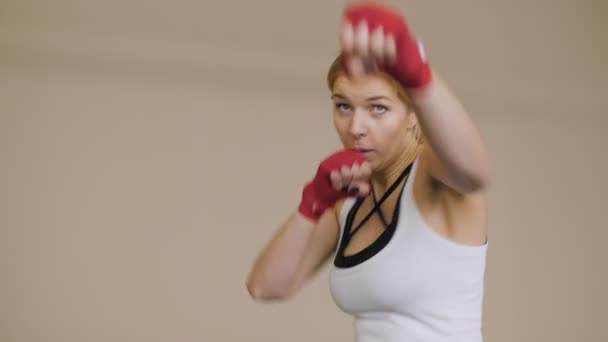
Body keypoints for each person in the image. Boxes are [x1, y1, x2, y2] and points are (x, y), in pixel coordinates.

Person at [246, 1, 492, 341]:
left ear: (413, 114)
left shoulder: (433, 174)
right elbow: (266, 286)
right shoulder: (350, 202)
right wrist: (312, 201)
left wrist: (421, 77)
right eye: (343, 106)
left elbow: (475, 172)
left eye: (378, 108)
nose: (356, 127)